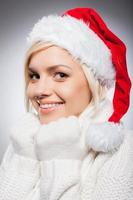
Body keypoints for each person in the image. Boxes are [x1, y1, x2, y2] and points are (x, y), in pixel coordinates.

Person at [0, 6, 133, 200]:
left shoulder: (124, 150)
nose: (39, 90)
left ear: (93, 81)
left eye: (60, 75)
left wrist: (61, 156)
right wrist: (24, 160)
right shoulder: (22, 143)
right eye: (34, 76)